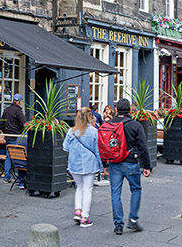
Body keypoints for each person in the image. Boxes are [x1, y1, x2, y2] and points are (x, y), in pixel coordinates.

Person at [102, 99, 151, 235]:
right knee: (136, 189)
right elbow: (143, 146)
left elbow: (105, 145)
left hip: (114, 162)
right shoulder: (135, 125)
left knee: (115, 193)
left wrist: (105, 164)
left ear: (116, 110)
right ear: (130, 110)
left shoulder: (109, 124)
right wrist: (147, 166)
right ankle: (133, 220)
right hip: (130, 162)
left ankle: (118, 224)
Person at [63, 108, 101, 228]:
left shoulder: (71, 131)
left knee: (79, 187)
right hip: (89, 163)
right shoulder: (94, 132)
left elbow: (65, 147)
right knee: (87, 189)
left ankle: (78, 210)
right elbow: (97, 151)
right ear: (90, 117)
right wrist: (101, 165)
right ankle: (85, 217)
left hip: (74, 163)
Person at [1, 94, 26, 183]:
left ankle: (7, 176)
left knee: (8, 156)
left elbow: (2, 124)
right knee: (18, 156)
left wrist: (5, 132)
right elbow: (24, 123)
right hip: (16, 136)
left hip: (8, 136)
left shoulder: (6, 110)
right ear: (19, 102)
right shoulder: (18, 111)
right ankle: (20, 178)